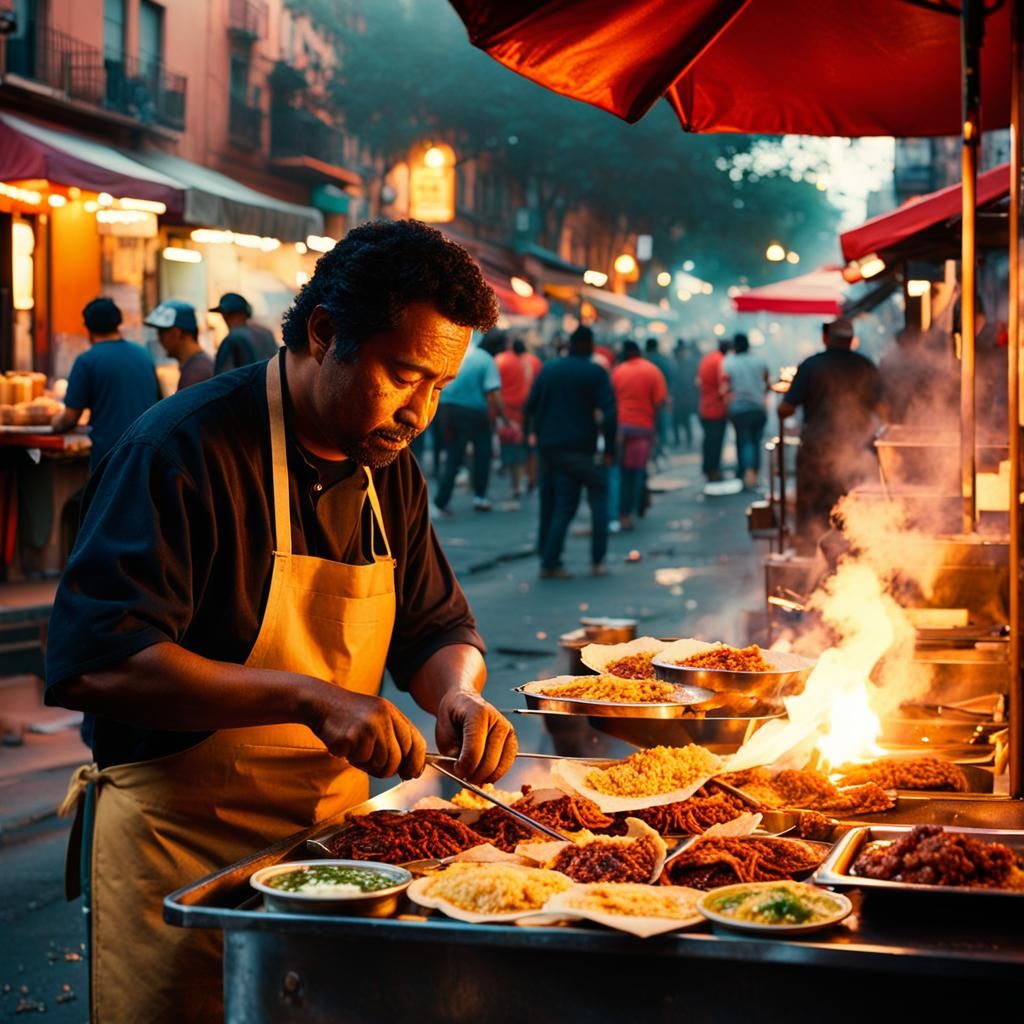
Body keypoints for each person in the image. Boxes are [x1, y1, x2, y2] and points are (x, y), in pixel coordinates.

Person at [46, 220, 518, 1023]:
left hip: (332, 858)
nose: (419, 413)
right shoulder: (179, 449)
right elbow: (98, 660)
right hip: (181, 858)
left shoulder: (388, 474)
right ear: (327, 334)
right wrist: (311, 698)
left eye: (439, 388)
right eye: (405, 375)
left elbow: (436, 628)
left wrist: (460, 694)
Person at [778, 318, 882, 549]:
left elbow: (785, 408)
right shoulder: (866, 366)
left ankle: (808, 548)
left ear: (826, 338)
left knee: (813, 504)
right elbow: (884, 409)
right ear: (850, 340)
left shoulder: (811, 365)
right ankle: (853, 551)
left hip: (817, 447)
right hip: (857, 449)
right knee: (851, 504)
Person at [525, 325, 616, 578]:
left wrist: (533, 438)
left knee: (561, 506)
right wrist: (609, 449)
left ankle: (550, 561)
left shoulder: (549, 370)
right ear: (590, 345)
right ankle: (598, 561)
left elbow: (530, 407)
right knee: (599, 500)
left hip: (551, 449)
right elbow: (610, 414)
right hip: (582, 450)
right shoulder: (595, 372)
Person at [50, 297, 162, 473]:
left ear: (88, 329)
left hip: (110, 456)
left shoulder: (87, 361)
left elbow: (70, 418)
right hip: (148, 452)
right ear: (118, 324)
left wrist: (54, 423)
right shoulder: (144, 356)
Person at [432, 333, 505, 515]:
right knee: (483, 454)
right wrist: (500, 417)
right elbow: (492, 393)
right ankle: (480, 496)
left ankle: (441, 500)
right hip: (476, 413)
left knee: (453, 456)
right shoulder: (487, 361)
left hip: (448, 410)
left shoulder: (460, 354)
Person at [612, 338, 667, 530]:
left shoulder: (617, 372)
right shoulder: (652, 371)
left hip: (622, 429)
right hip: (643, 429)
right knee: (638, 470)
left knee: (625, 472)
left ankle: (625, 512)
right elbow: (660, 401)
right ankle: (636, 506)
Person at [722, 333, 770, 489]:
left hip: (739, 409)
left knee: (744, 442)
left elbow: (724, 387)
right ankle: (754, 473)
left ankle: (747, 473)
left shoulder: (728, 363)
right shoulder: (759, 361)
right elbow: (767, 382)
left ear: (734, 346)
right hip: (757, 408)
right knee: (755, 442)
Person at [490, 332, 529, 499]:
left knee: (502, 444)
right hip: (518, 410)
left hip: (502, 409)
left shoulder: (498, 361)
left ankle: (500, 470)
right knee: (517, 447)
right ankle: (517, 484)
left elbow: (494, 388)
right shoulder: (521, 362)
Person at [145, 300, 214, 390]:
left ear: (177, 333)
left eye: (161, 332)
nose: (159, 339)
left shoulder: (196, 373)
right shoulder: (198, 366)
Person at [210, 292, 280, 374]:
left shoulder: (233, 339)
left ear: (225, 315)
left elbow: (222, 378)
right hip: (271, 384)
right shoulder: (266, 333)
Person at [697, 338, 733, 482]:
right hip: (715, 409)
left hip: (705, 406)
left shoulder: (708, 359)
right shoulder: (720, 361)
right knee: (715, 443)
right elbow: (723, 387)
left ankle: (709, 469)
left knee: (709, 442)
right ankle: (713, 471)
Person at [644, 337, 675, 458]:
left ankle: (652, 452)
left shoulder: (645, 361)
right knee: (662, 427)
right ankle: (661, 450)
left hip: (646, 401)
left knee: (650, 428)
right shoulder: (663, 361)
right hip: (662, 400)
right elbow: (671, 379)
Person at [671, 338, 700, 449]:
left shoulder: (685, 364)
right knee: (678, 421)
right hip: (680, 397)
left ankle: (687, 441)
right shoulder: (678, 364)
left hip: (684, 397)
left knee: (684, 421)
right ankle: (681, 441)